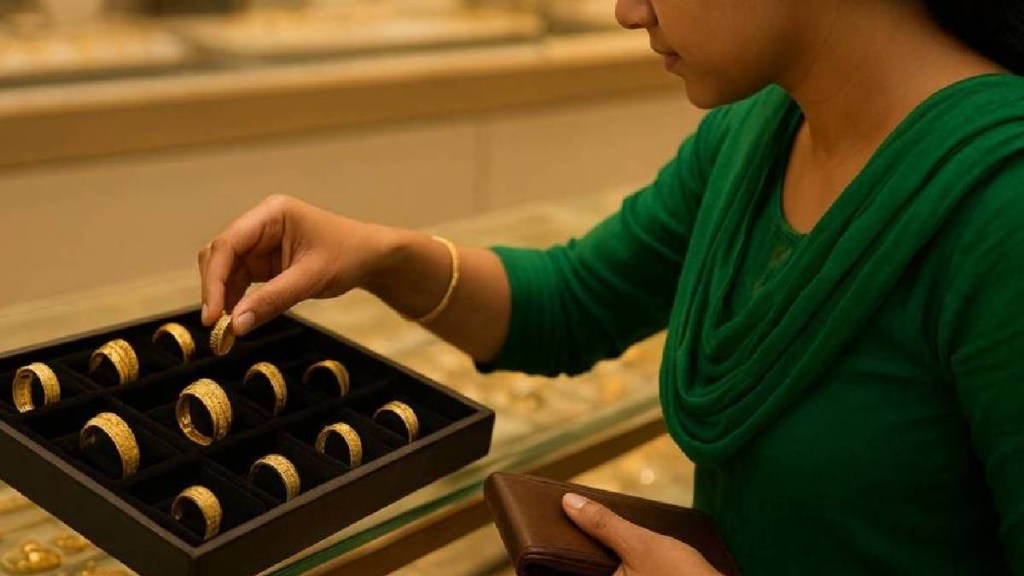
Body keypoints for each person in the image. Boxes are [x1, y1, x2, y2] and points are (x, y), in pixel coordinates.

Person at [198, 0, 1024, 573]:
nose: (627, 12)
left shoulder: (1002, 210)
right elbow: (569, 304)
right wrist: (380, 254)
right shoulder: (757, 136)